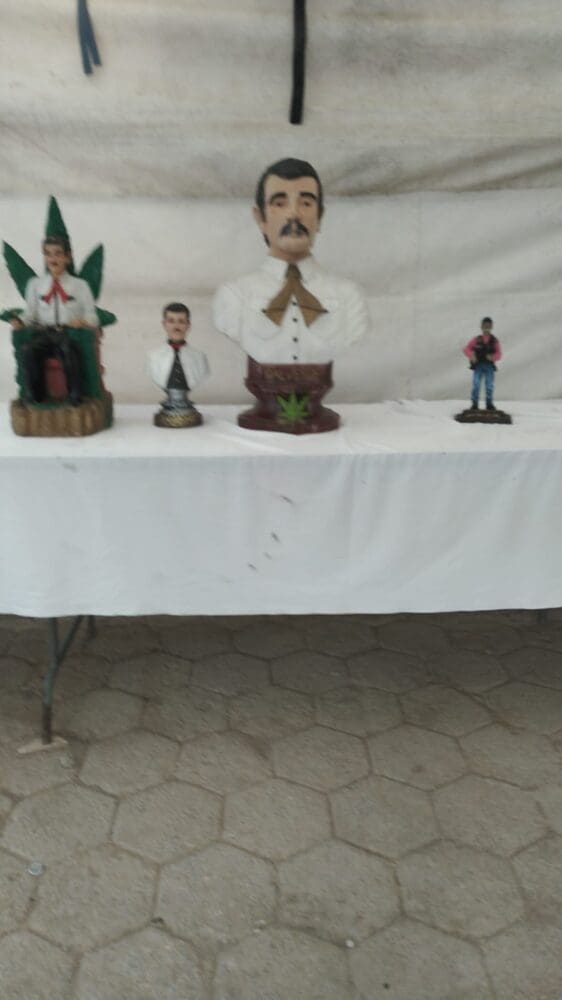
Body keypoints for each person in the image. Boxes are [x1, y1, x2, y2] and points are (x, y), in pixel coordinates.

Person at [213, 157, 369, 364]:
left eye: (306, 203)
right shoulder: (234, 296)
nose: (294, 213)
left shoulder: (349, 297)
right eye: (280, 203)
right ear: (260, 218)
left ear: (320, 217)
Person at [9, 234, 99, 405]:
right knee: (29, 350)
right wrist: (20, 321)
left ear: (67, 257)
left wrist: (82, 321)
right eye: (48, 254)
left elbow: (92, 316)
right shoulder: (35, 285)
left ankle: (75, 395)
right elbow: (30, 313)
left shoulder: (80, 286)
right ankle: (36, 396)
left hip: (68, 334)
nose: (53, 259)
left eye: (58, 254)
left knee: (67, 349)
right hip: (44, 333)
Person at [463, 317, 502, 411]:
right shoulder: (476, 339)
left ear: (491, 327)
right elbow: (466, 349)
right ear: (481, 327)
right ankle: (474, 404)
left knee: (489, 386)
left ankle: (489, 404)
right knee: (476, 384)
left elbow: (499, 354)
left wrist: (492, 357)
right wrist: (472, 355)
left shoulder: (494, 341)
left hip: (489, 366)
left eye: (488, 326)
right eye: (485, 326)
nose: (486, 328)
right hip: (478, 365)